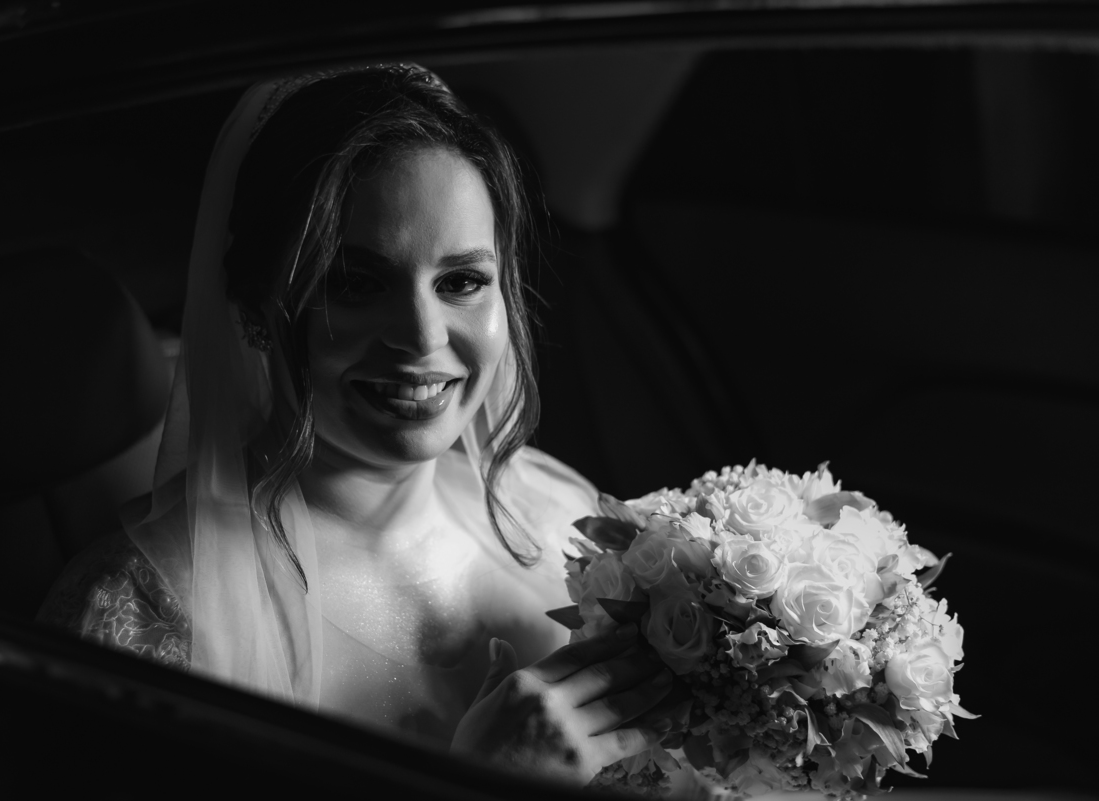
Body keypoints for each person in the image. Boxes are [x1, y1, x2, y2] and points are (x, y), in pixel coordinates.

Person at [38, 64, 678, 783]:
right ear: (255, 311)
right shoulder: (142, 615)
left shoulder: (564, 518)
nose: (423, 337)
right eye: (357, 283)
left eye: (461, 281)